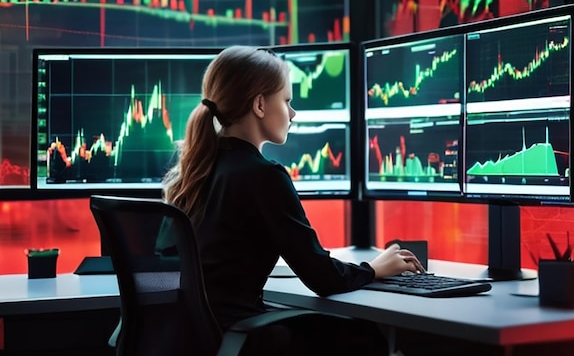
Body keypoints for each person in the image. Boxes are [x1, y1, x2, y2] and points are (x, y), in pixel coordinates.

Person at [162, 45, 423, 356]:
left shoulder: (199, 169)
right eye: (286, 100)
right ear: (259, 104)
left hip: (207, 338)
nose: (293, 112)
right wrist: (375, 268)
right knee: (367, 338)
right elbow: (322, 277)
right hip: (238, 339)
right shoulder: (264, 176)